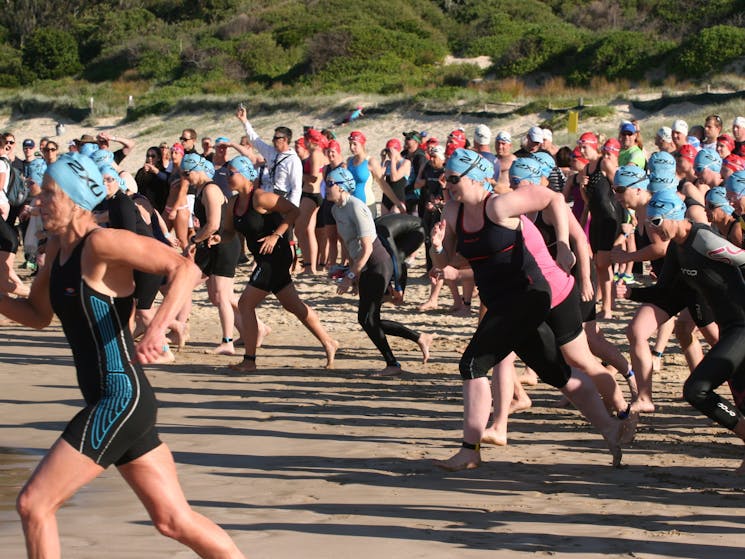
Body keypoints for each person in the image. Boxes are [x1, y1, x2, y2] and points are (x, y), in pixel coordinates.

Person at [0, 152, 245, 557]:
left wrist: (157, 327)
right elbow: (38, 316)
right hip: (118, 400)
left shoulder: (102, 243)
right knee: (173, 520)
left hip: (119, 399)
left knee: (34, 503)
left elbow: (185, 269)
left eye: (48, 193)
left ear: (76, 198)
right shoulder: (58, 252)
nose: (37, 202)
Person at [430, 152, 631, 471]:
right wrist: (438, 246)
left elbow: (552, 198)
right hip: (502, 302)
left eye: (453, 178)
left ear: (476, 177)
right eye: (445, 178)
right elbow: (446, 264)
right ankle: (611, 428)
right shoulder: (453, 212)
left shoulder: (498, 205)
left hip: (530, 296)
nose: (447, 185)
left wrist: (563, 244)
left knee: (472, 363)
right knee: (556, 372)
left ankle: (470, 451)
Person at [621, 188, 745, 473]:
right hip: (729, 327)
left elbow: (742, 259)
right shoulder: (677, 249)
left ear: (674, 216)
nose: (653, 229)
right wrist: (632, 295)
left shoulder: (703, 239)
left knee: (696, 389)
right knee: (741, 396)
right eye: (649, 221)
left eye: (657, 222)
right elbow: (667, 293)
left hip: (742, 324)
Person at [223, 156, 338, 372]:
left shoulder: (261, 198)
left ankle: (249, 360)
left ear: (246, 175)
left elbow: (294, 211)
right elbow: (228, 233)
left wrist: (276, 235)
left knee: (246, 304)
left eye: (232, 172)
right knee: (292, 304)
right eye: (227, 173)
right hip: (263, 258)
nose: (228, 177)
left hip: (277, 255)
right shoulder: (232, 204)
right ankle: (329, 342)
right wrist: (214, 238)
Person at [326, 166, 434, 376]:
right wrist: (349, 269)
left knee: (367, 318)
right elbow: (350, 245)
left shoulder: (356, 207)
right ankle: (417, 340)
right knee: (368, 318)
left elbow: (367, 248)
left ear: (341, 187)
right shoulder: (336, 209)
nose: (326, 187)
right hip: (364, 263)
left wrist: (350, 277)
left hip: (378, 262)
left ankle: (395, 362)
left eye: (330, 184)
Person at [182, 154, 242, 355]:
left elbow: (214, 224)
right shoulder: (200, 190)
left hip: (223, 245)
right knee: (217, 296)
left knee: (222, 296)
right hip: (212, 245)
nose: (185, 176)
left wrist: (194, 240)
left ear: (198, 170)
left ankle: (227, 342)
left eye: (187, 172)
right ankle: (258, 329)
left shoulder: (210, 190)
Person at [235, 106, 302, 207]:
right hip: (268, 197)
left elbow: (296, 187)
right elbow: (255, 139)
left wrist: (293, 210)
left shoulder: (293, 160)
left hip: (282, 200)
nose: (273, 140)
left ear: (284, 140)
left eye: (276, 138)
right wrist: (244, 121)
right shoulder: (271, 152)